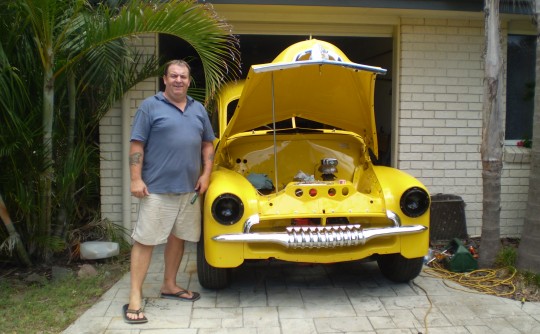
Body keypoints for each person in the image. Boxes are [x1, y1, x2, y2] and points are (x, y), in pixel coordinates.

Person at [123, 60, 215, 324]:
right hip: (156, 189)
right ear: (164, 79)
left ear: (188, 81)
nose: (178, 80)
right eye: (173, 76)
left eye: (183, 77)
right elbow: (137, 145)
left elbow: (207, 145)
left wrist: (206, 175)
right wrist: (135, 179)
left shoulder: (198, 109)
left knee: (179, 237)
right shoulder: (150, 106)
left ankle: (170, 285)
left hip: (188, 190)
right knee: (146, 240)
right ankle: (135, 296)